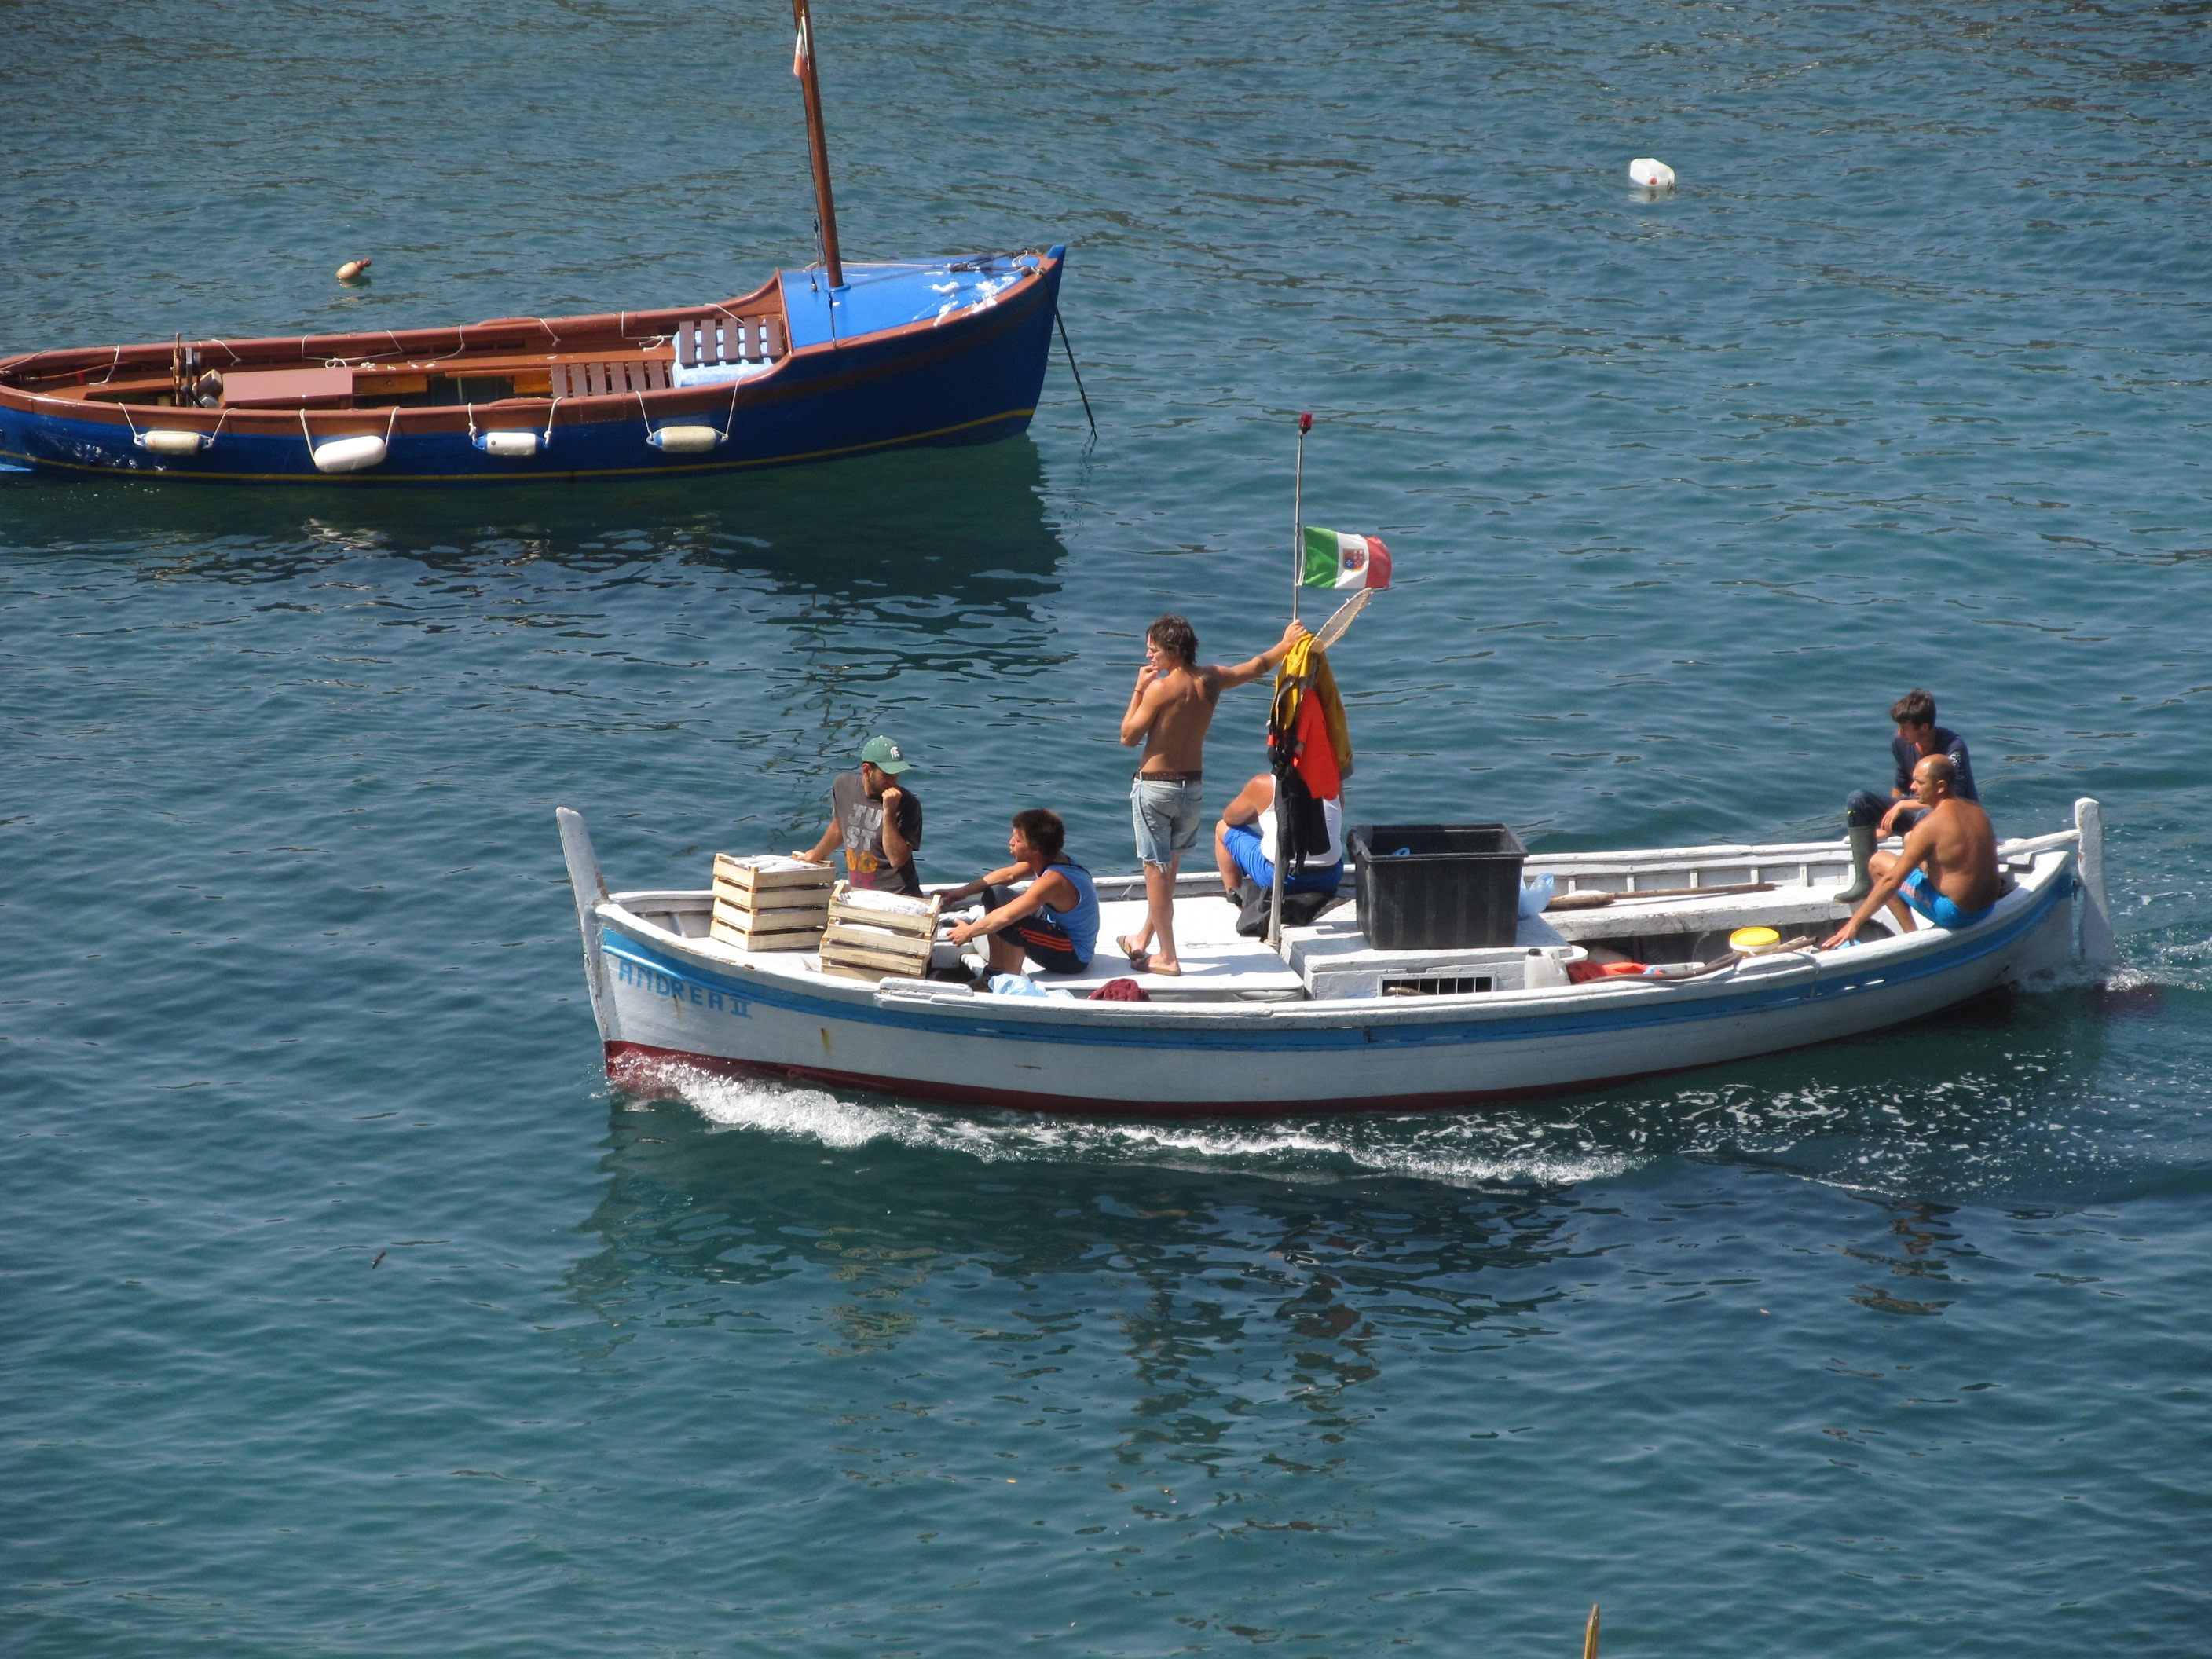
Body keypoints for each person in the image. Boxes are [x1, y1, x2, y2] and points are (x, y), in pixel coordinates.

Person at [1117, 613, 1309, 975]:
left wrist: (1139, 688)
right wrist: (1285, 644)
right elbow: (1256, 667)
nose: (1148, 655)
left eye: (1154, 649)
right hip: (1191, 788)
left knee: (1156, 873)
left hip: (1156, 788)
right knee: (1168, 872)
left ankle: (1168, 957)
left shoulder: (1160, 689)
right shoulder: (1211, 679)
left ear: (1174, 650)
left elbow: (1128, 737)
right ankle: (1143, 938)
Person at [1822, 755, 2000, 949]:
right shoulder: (1976, 810)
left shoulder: (1931, 825)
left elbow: (1891, 881)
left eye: (1919, 782)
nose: (1912, 787)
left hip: (1956, 914)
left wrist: (1853, 925)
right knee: (1909, 839)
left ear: (1940, 786)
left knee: (1877, 862)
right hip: (1987, 908)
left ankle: (1912, 938)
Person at [1837, 689, 1979, 903]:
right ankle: (1865, 882)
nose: (1900, 732)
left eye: (1905, 727)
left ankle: (1933, 885)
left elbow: (1952, 799)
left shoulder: (1953, 748)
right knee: (1858, 800)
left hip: (1955, 820)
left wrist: (1902, 806)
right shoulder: (1900, 742)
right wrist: (1887, 820)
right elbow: (1901, 782)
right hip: (1920, 810)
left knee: (1924, 817)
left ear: (1924, 727)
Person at [941, 808, 1100, 976]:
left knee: (1011, 924)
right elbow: (1008, 875)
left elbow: (1006, 917)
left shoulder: (1054, 880)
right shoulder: (1047, 857)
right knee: (994, 894)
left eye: (1017, 840)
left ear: (1035, 848)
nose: (1010, 842)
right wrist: (962, 892)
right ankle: (994, 970)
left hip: (1073, 955)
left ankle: (1009, 983)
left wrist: (968, 932)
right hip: (1053, 925)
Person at [790, 734, 923, 896]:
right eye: (887, 774)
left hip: (899, 896)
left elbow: (897, 860)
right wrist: (815, 855)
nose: (893, 781)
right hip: (860, 895)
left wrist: (889, 812)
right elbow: (839, 828)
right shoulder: (843, 785)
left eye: (896, 774)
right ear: (867, 770)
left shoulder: (908, 804)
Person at [1213, 772, 1344, 899]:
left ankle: (1236, 899)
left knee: (1222, 826)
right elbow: (1338, 811)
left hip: (1278, 880)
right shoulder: (1333, 781)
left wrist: (1262, 809)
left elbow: (1230, 818)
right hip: (1329, 877)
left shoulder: (1263, 784)